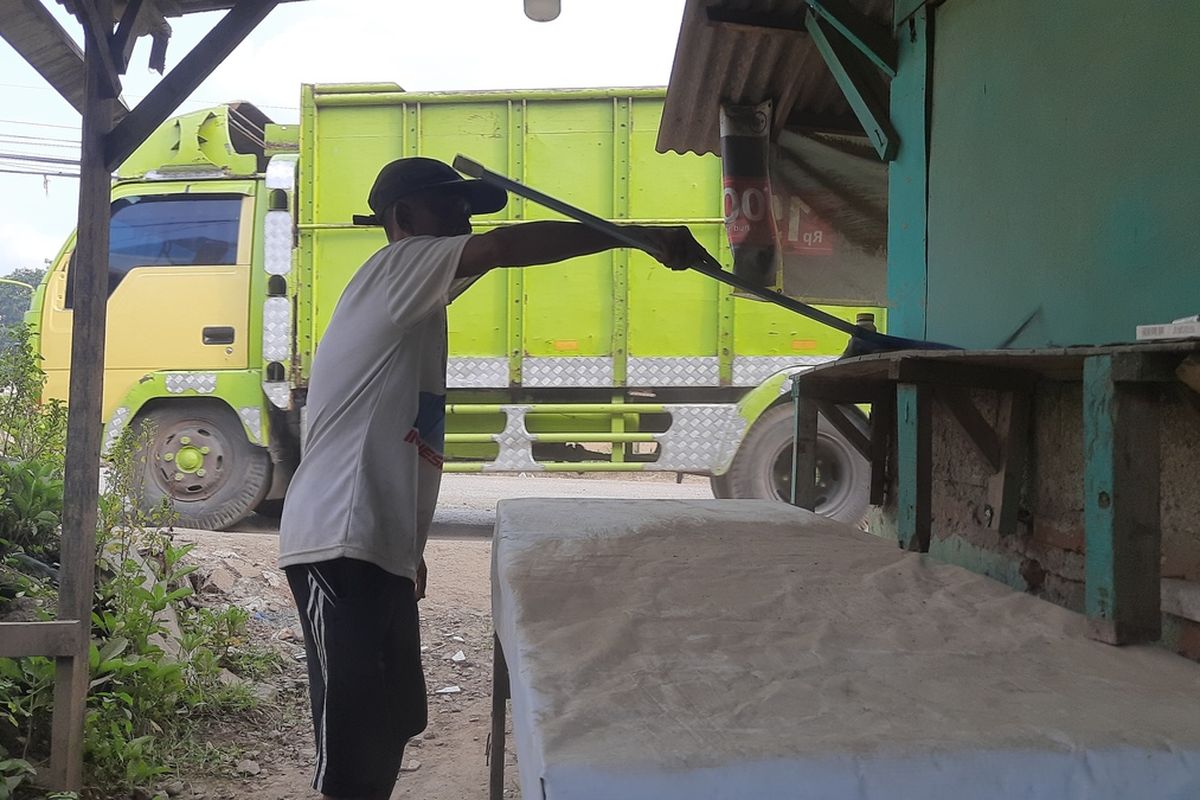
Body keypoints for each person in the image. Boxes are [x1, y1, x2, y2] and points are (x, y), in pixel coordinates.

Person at [278, 156, 708, 800]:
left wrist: (407, 550)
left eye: (469, 214)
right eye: (452, 209)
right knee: (353, 739)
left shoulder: (414, 295)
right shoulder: (397, 265)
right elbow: (505, 248)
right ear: (404, 219)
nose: (465, 222)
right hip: (338, 540)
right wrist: (637, 235)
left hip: (375, 546)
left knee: (395, 718)